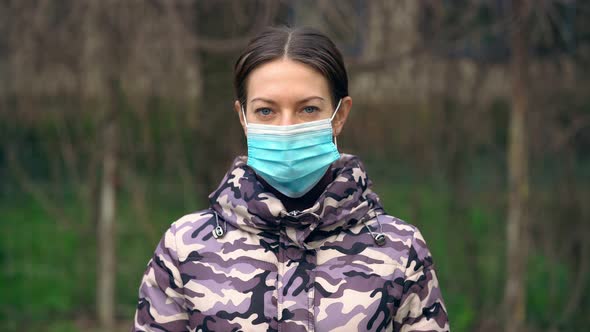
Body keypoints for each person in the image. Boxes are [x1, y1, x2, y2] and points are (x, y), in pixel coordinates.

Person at [133, 26, 449, 332]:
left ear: (339, 115)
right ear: (243, 117)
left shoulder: (399, 249)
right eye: (266, 111)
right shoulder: (185, 248)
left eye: (308, 109)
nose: (287, 127)